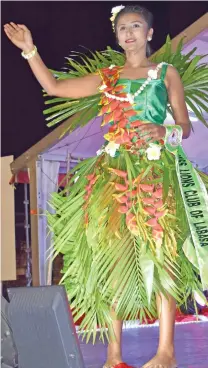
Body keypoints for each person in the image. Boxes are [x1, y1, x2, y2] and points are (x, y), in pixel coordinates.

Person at [4, 4, 208, 368]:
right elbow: (55, 86)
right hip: (112, 173)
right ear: (116, 36)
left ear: (149, 34)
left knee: (161, 257)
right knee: (115, 261)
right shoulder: (107, 77)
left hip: (154, 172)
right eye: (122, 28)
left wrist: (164, 131)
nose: (128, 32)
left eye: (136, 26)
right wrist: (29, 49)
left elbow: (184, 127)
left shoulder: (166, 73)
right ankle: (114, 355)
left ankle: (166, 352)